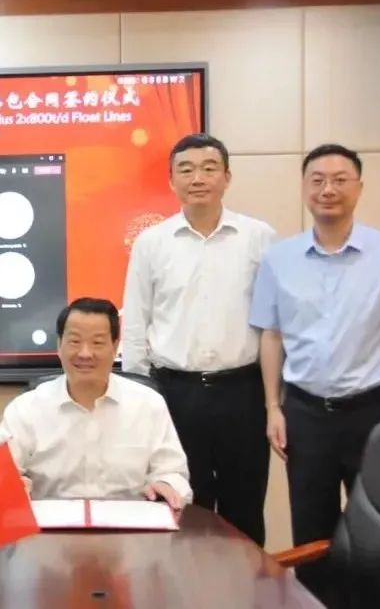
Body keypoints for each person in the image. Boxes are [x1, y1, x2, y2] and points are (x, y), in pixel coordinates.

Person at [248, 143, 380, 600]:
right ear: (304, 188)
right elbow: (271, 337)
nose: (328, 189)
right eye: (317, 180)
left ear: (359, 188)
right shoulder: (279, 259)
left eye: (339, 180)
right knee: (312, 530)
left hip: (374, 411)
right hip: (305, 413)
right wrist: (273, 407)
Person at [121, 133, 276, 546]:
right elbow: (135, 323)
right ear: (171, 181)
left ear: (227, 177)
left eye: (209, 168)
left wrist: (274, 400)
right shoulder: (152, 243)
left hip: (243, 392)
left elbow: (274, 324)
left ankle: (245, 584)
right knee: (183, 507)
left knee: (245, 508)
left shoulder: (259, 237)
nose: (198, 178)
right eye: (186, 170)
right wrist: (142, 398)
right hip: (176, 394)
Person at [0, 298, 191, 507]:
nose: (85, 353)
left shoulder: (149, 405)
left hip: (129, 523)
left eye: (97, 343)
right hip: (51, 525)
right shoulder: (25, 409)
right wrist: (9, 486)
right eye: (75, 341)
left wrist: (165, 484)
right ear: (59, 345)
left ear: (115, 346)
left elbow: (173, 472)